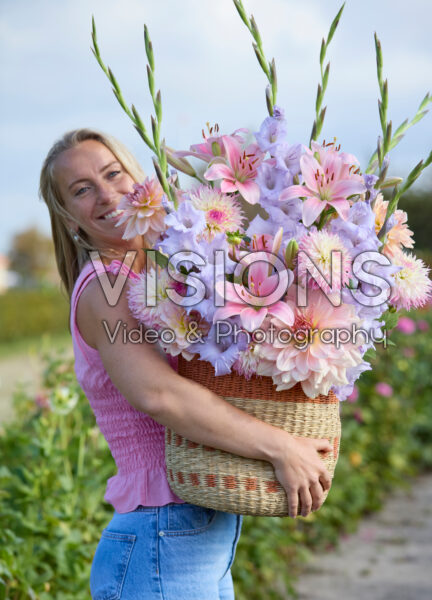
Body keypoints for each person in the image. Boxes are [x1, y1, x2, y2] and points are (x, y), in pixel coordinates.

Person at [39, 128, 333, 600]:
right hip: (159, 537)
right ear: (69, 217)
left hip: (191, 533)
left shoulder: (166, 270)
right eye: (81, 189)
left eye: (114, 174)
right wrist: (282, 447)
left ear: (141, 178)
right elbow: (159, 394)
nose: (107, 193)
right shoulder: (103, 287)